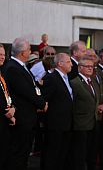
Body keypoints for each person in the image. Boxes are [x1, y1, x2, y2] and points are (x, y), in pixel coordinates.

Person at [2, 38, 47, 170]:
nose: (30, 52)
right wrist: (42, 103)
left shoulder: (21, 66)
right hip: (22, 118)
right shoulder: (12, 68)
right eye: (28, 50)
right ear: (22, 53)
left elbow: (32, 87)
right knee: (18, 154)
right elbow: (26, 91)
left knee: (24, 153)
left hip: (28, 117)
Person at [42, 53, 73, 170]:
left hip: (66, 124)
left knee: (62, 155)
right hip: (55, 125)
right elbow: (45, 100)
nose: (71, 64)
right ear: (60, 64)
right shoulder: (52, 78)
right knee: (52, 154)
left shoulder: (66, 78)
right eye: (69, 62)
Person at [0, 44, 16, 168]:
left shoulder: (2, 73)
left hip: (6, 121)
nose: (2, 57)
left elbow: (7, 94)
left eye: (3, 55)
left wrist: (13, 108)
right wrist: (5, 112)